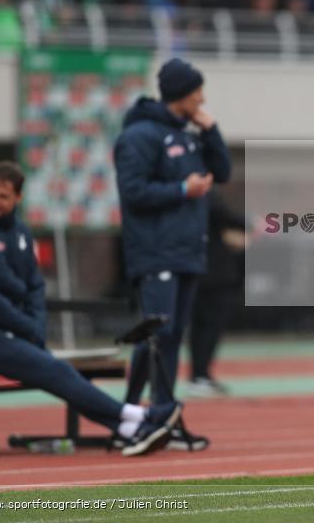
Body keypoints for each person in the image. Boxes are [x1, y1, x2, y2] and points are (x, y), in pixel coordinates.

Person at [0, 162, 181, 457]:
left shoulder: (21, 233)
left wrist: (35, 327)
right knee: (53, 369)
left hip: (12, 330)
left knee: (57, 372)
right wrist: (25, 327)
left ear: (18, 199)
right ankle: (138, 416)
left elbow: (34, 287)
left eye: (3, 196)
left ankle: (128, 428)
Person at [114, 58, 231, 451]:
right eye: (197, 90)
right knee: (156, 334)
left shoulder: (189, 131)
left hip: (186, 252)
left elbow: (223, 170)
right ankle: (137, 413)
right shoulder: (139, 136)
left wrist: (211, 130)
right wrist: (182, 190)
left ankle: (156, 415)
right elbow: (133, 192)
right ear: (182, 93)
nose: (203, 97)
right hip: (155, 252)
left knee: (171, 336)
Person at [187, 190, 247, 397]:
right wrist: (252, 223)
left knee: (202, 327)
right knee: (207, 326)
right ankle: (199, 375)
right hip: (211, 274)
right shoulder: (199, 192)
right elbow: (225, 216)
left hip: (201, 271)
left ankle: (200, 375)